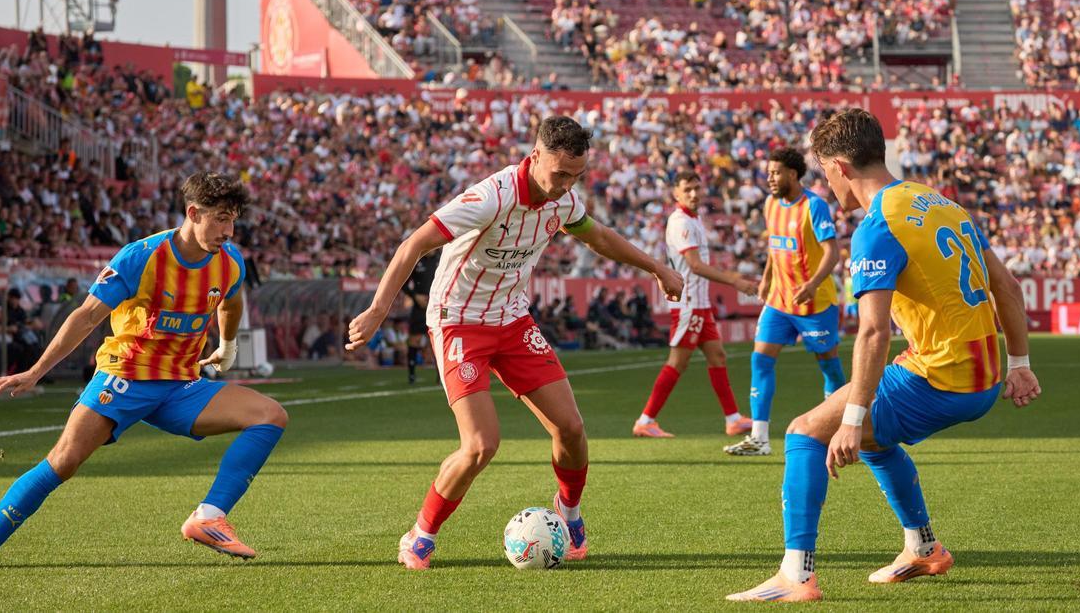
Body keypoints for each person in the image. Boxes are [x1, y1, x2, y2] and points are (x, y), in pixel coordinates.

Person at [728, 109, 1041, 602]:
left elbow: (873, 332)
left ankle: (797, 575)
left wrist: (851, 419)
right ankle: (923, 548)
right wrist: (1020, 366)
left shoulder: (877, 226)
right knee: (876, 439)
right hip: (981, 376)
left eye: (825, 175)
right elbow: (1009, 285)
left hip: (940, 378)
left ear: (839, 167)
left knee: (806, 432)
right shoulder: (940, 203)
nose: (828, 188)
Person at [346, 116, 683, 570]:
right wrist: (377, 310)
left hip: (512, 319)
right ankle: (420, 533)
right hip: (458, 322)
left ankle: (569, 514)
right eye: (559, 173)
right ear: (535, 156)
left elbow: (599, 237)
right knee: (481, 445)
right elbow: (413, 245)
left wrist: (656, 268)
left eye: (575, 176)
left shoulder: (563, 201)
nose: (565, 185)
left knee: (571, 428)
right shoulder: (490, 197)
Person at [0, 172, 288, 572]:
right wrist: (36, 371)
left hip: (181, 386)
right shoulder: (141, 256)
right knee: (63, 461)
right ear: (193, 213)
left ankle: (208, 517)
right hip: (124, 379)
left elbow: (230, 302)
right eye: (220, 218)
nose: (228, 230)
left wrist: (228, 345)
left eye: (233, 219)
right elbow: (86, 316)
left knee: (270, 415)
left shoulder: (230, 260)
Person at [726, 148, 847, 456]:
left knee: (829, 367)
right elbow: (775, 247)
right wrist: (767, 277)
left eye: (775, 172)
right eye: (768, 172)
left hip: (815, 303)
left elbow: (832, 252)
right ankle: (759, 438)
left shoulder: (814, 206)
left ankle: (838, 428)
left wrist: (812, 283)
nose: (770, 178)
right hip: (780, 300)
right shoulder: (770, 204)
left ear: (793, 175)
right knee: (761, 360)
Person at [632, 171, 758, 438]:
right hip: (689, 304)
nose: (693, 194)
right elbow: (695, 266)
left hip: (700, 304)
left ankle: (733, 419)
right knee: (677, 363)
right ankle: (645, 420)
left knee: (717, 356)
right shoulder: (681, 223)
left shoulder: (694, 218)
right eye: (687, 189)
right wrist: (734, 281)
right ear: (676, 193)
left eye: (697, 188)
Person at [402, 251, 440, 384]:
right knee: (414, 340)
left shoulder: (442, 257)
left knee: (438, 341)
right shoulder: (417, 259)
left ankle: (441, 377)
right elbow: (403, 283)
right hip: (420, 307)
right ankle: (411, 375)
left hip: (437, 306)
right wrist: (415, 296)